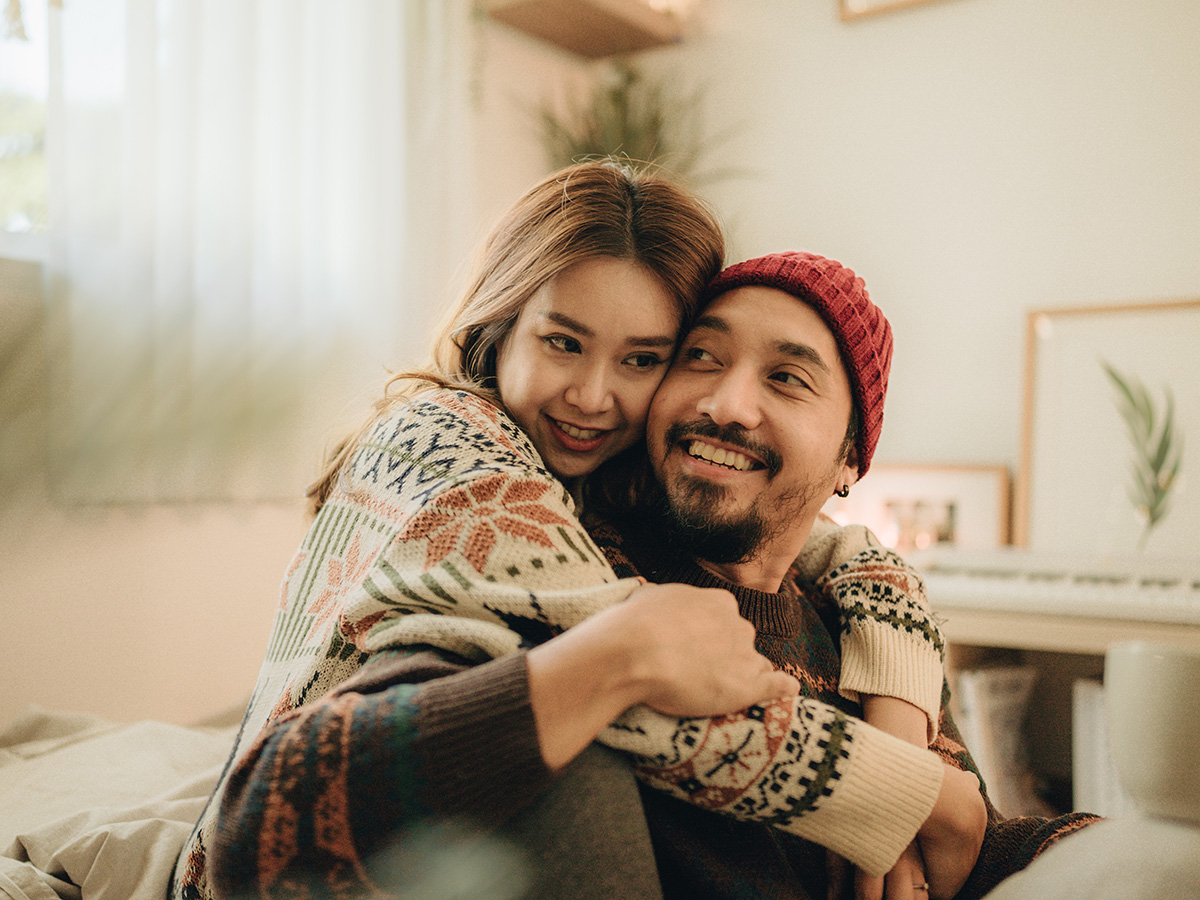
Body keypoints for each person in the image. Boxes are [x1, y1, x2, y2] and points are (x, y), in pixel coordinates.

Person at [172, 162, 958, 900]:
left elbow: (824, 542)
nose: (592, 395)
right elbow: (620, 673)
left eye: (643, 358)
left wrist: (887, 607)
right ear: (501, 322)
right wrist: (912, 793)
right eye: (563, 342)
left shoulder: (608, 484)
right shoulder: (455, 447)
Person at [581, 250, 1101, 900]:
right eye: (703, 357)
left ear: (850, 459)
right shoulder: (590, 579)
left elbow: (973, 848)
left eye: (788, 378)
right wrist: (914, 795)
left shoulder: (872, 630)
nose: (727, 403)